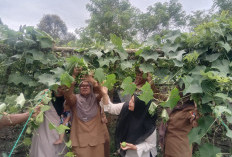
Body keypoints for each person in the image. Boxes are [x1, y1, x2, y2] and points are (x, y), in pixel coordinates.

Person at [101, 87, 158, 157]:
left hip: (143, 154)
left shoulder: (148, 122)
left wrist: (134, 147)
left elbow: (151, 145)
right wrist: (104, 94)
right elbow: (110, 108)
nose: (129, 102)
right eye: (131, 99)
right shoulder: (126, 107)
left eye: (133, 101)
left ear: (140, 105)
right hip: (128, 153)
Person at [63, 76, 110, 157]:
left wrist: (93, 81)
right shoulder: (75, 99)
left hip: (96, 140)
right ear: (79, 88)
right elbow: (68, 95)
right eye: (82, 86)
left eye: (87, 85)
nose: (84, 87)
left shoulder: (96, 98)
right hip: (79, 140)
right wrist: (73, 77)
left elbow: (103, 92)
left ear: (91, 87)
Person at [29, 87, 68, 157]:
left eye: (63, 88)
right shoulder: (46, 95)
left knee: (60, 151)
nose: (59, 90)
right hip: (45, 130)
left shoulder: (67, 98)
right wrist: (42, 96)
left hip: (60, 131)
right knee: (44, 150)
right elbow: (35, 109)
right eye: (58, 87)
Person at [160, 91, 198, 157]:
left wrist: (197, 111)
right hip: (168, 150)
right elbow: (158, 96)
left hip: (180, 152)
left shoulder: (190, 109)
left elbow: (195, 122)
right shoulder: (174, 105)